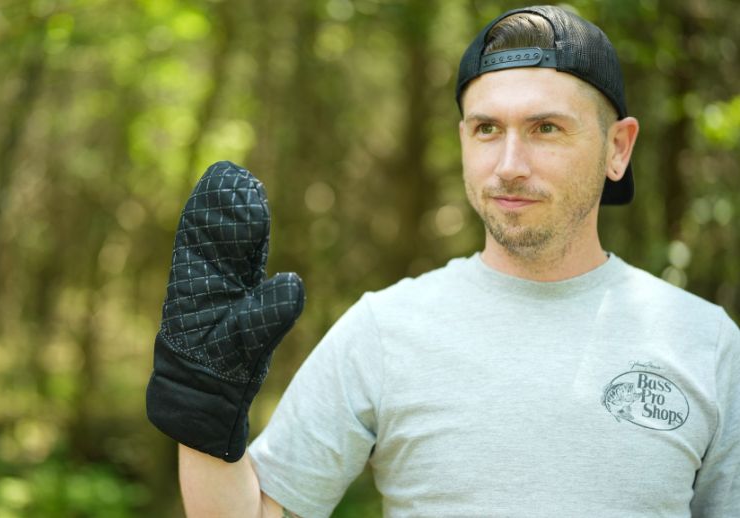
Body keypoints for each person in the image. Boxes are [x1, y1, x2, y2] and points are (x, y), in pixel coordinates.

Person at [145, 5, 740, 517]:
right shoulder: (384, 329)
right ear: (462, 139)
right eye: (487, 128)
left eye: (546, 128)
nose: (509, 163)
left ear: (618, 148)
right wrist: (202, 410)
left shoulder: (706, 342)